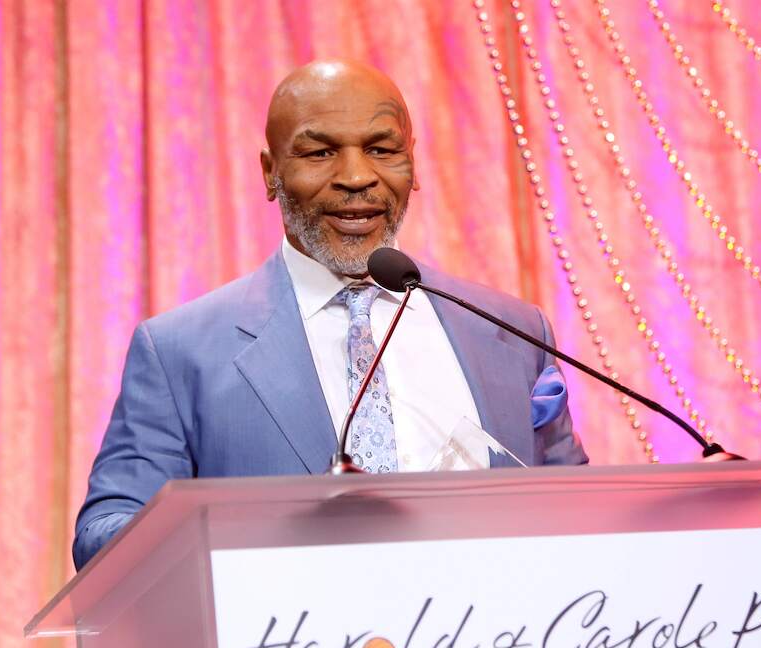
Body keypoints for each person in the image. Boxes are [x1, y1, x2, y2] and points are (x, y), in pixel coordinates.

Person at [73, 60, 587, 569]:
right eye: (320, 153)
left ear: (414, 163)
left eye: (382, 150)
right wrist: (254, 537)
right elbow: (105, 535)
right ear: (271, 172)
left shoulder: (511, 331)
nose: (357, 177)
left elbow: (580, 521)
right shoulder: (180, 351)